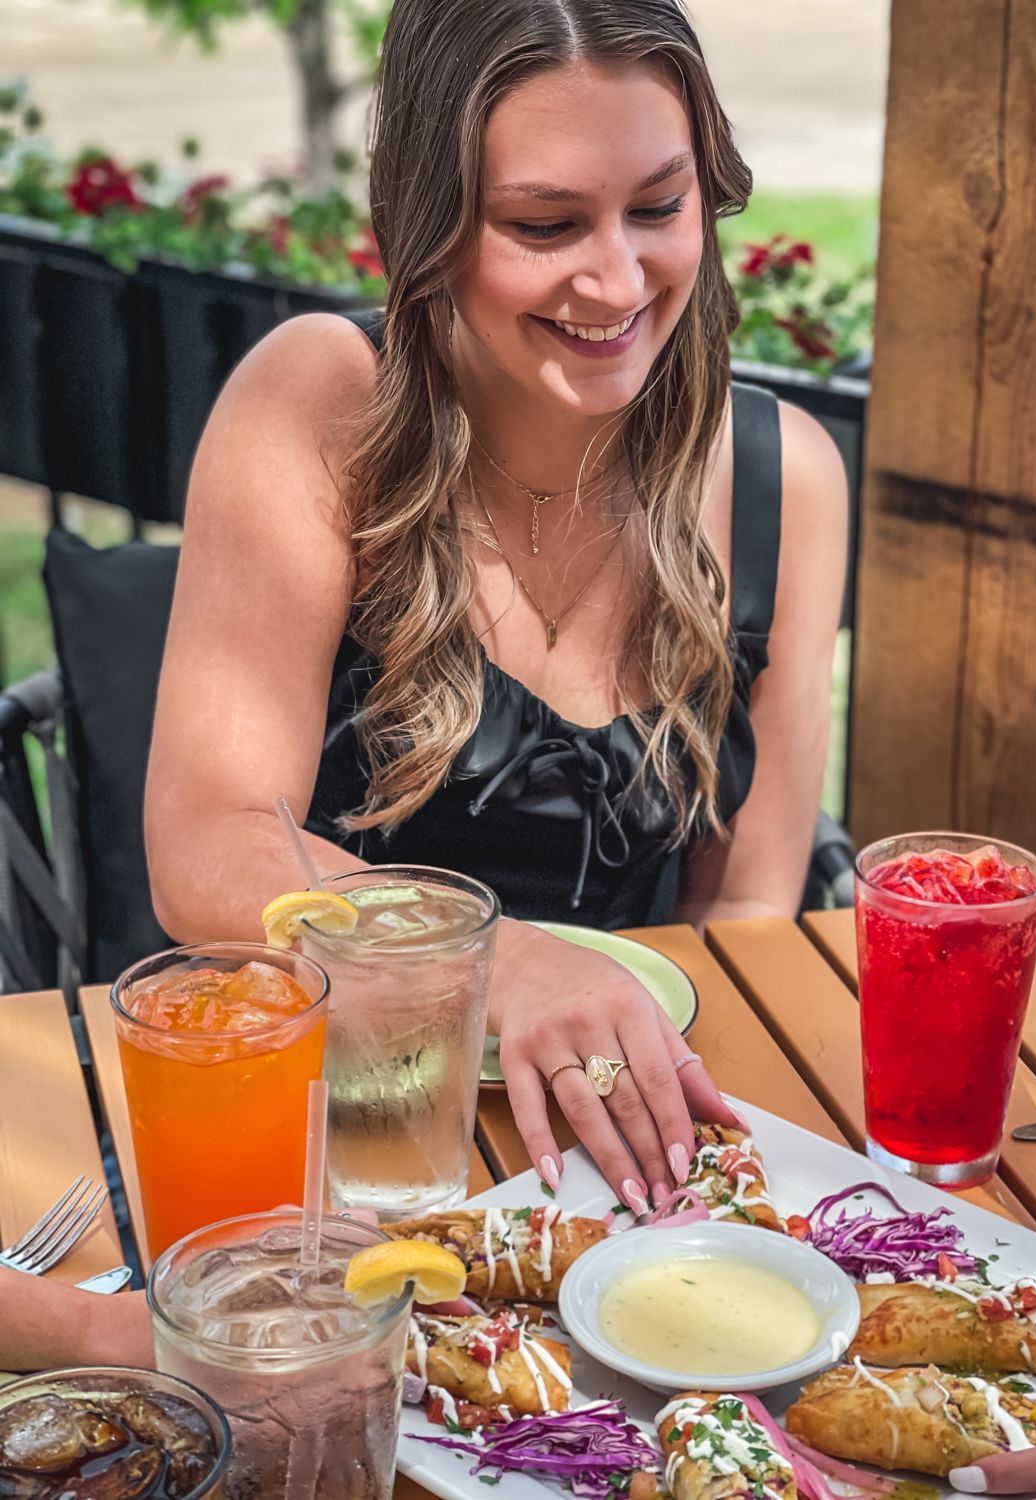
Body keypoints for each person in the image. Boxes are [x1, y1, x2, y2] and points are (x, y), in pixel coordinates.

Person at [143, 0, 846, 1219]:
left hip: (617, 1153)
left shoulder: (789, 481)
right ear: (426, 223)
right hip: (340, 1146)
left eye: (661, 207)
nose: (619, 279)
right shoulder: (320, 406)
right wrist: (493, 960)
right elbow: (205, 842)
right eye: (544, 223)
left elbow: (743, 913)